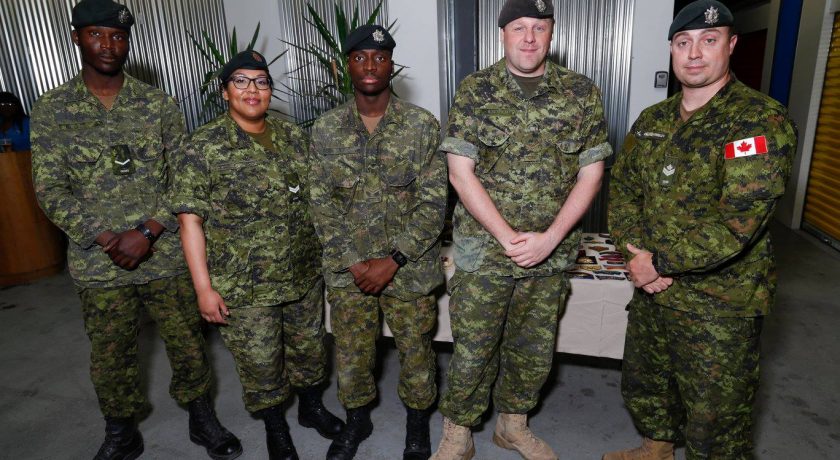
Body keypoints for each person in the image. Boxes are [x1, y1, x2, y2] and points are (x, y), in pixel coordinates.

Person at [29, 1, 241, 459]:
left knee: (187, 343)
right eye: (96, 35)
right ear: (76, 38)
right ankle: (121, 429)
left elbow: (183, 179)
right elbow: (50, 188)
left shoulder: (158, 104)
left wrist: (147, 231)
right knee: (111, 353)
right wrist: (106, 238)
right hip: (99, 263)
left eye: (118, 36)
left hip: (164, 255)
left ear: (129, 42)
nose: (108, 45)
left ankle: (202, 417)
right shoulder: (52, 110)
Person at [604, 1, 798, 459]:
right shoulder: (653, 121)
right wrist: (635, 256)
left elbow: (740, 221)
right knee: (647, 382)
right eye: (683, 42)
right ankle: (655, 448)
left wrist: (658, 263)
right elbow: (624, 192)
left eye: (708, 41)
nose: (694, 53)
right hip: (653, 290)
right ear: (671, 49)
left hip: (719, 303)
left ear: (730, 46)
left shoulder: (759, 120)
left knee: (717, 417)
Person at [431, 0, 612, 458]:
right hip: (485, 251)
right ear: (503, 34)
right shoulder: (475, 91)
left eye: (539, 27)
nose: (529, 37)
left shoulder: (581, 93)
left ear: (552, 34)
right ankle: (458, 433)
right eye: (518, 27)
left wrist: (549, 239)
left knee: (533, 349)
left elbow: (591, 173)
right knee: (473, 348)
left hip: (549, 252)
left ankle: (512, 424)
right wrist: (508, 237)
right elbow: (460, 172)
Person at [171, 50, 344, 460]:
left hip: (302, 274)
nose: (253, 90)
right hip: (245, 284)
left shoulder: (293, 137)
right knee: (262, 363)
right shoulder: (203, 147)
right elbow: (189, 222)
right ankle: (275, 426)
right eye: (242, 81)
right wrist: (203, 289)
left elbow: (317, 202)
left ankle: (311, 408)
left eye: (261, 82)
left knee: (310, 350)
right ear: (225, 91)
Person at [308, 25, 447, 460]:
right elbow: (320, 203)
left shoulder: (422, 126)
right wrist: (353, 262)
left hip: (408, 270)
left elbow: (433, 204)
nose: (370, 66)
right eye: (360, 57)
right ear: (345, 65)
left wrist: (394, 260)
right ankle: (356, 420)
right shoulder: (326, 129)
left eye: (380, 57)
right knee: (351, 355)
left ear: (392, 65)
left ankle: (418, 423)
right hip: (350, 273)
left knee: (417, 352)